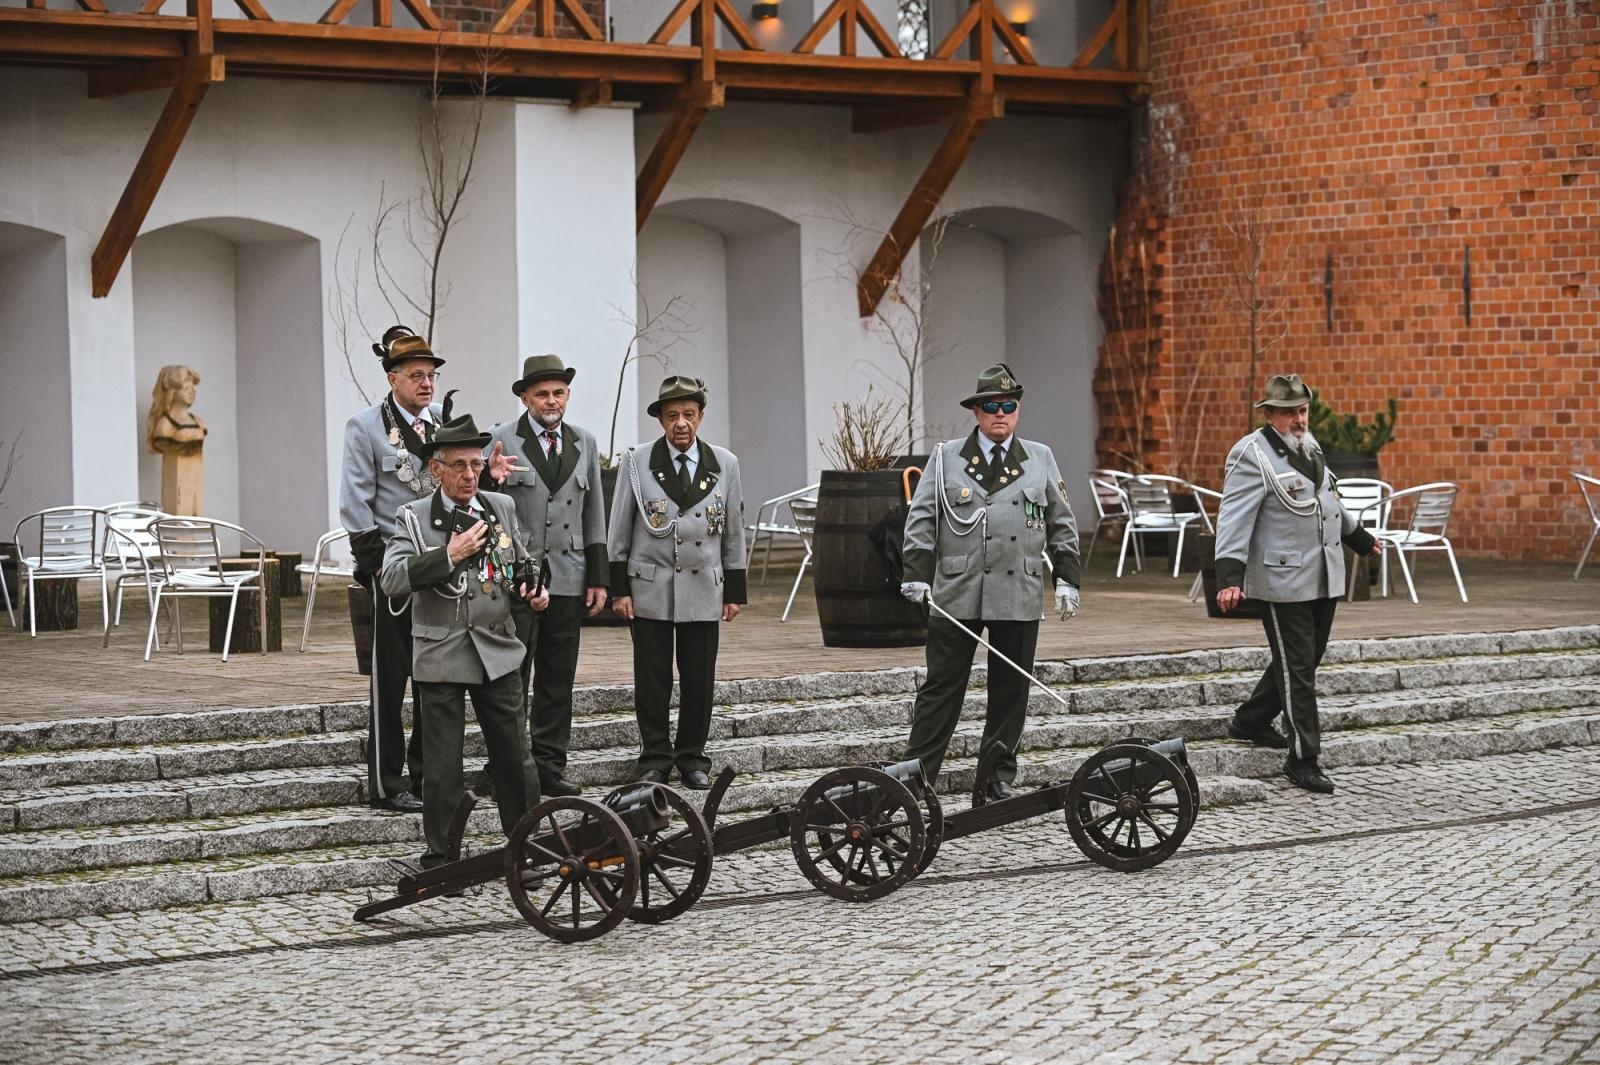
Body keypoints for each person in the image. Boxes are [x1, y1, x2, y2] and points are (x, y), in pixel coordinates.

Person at [338, 328, 513, 811]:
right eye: (416, 375)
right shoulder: (366, 427)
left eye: (432, 375)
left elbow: (463, 482)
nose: (427, 383)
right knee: (391, 679)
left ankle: (424, 777)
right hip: (397, 569)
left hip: (448, 566)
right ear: (392, 378)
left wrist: (489, 477)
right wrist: (379, 570)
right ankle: (385, 782)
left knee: (435, 677)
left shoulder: (445, 423)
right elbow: (355, 505)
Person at [898, 363, 1081, 800]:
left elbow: (1062, 522)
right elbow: (922, 519)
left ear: (1017, 411)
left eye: (1009, 406)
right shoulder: (945, 458)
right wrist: (916, 575)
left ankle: (995, 778)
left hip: (1018, 587)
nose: (1001, 413)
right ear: (977, 412)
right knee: (942, 687)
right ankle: (916, 778)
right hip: (956, 591)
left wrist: (1068, 580)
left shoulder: (1040, 457)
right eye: (991, 406)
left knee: (1011, 689)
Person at [379, 414, 547, 868]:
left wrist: (534, 591)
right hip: (441, 652)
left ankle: (526, 849)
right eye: (458, 466)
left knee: (516, 759)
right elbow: (392, 579)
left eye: (475, 464)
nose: (469, 474)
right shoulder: (413, 518)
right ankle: (443, 855)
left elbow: (518, 564)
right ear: (436, 469)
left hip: (497, 649)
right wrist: (447, 555)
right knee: (442, 767)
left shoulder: (500, 507)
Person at [1213, 373, 1383, 794]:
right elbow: (1234, 517)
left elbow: (1328, 502)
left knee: (1305, 658)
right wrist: (1229, 578)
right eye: (1289, 411)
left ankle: (1250, 720)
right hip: (1281, 578)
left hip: (1323, 573)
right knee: (1300, 668)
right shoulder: (1250, 454)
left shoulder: (1309, 445)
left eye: (1302, 410)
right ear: (1269, 414)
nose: (1298, 418)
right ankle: (1303, 757)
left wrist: (1360, 539)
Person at [608, 375, 747, 789]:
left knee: (699, 677)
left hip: (705, 585)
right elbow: (619, 528)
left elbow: (734, 530)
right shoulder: (637, 462)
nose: (680, 423)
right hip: (650, 585)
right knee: (651, 678)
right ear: (661, 420)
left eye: (688, 414)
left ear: (701, 416)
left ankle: (692, 758)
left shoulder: (725, 462)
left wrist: (735, 591)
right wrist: (619, 589)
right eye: (672, 416)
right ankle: (654, 757)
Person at [481, 354, 609, 798]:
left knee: (558, 677)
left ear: (568, 396)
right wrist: (487, 476)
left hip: (569, 575)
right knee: (511, 676)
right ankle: (506, 766)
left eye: (558, 392)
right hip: (517, 576)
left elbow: (595, 513)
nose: (551, 401)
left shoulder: (584, 441)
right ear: (524, 398)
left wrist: (598, 576)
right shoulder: (501, 440)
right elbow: (479, 503)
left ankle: (550, 765)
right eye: (541, 394)